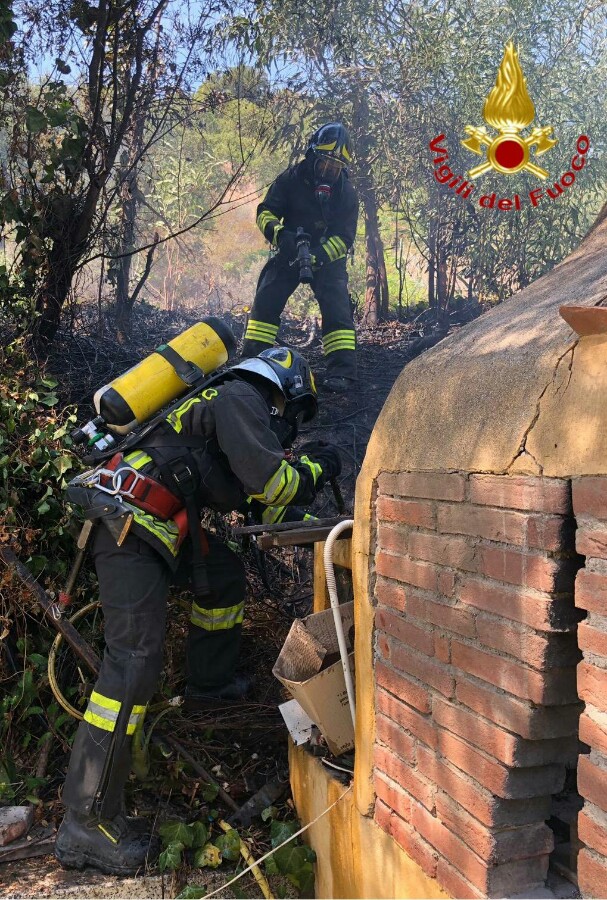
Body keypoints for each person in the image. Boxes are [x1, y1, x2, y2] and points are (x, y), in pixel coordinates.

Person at [54, 346, 341, 876]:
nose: (286, 428)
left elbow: (261, 497)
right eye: (292, 415)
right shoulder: (240, 396)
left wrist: (301, 493)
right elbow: (272, 481)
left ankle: (207, 687)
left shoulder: (220, 406)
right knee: (133, 662)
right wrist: (318, 466)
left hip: (152, 527)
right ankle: (85, 820)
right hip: (127, 526)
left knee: (224, 576)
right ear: (282, 389)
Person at [242, 122, 359, 394]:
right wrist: (282, 236)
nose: (329, 172)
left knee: (337, 308)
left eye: (336, 167)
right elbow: (265, 212)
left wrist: (319, 256)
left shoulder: (346, 193)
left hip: (327, 256)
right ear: (312, 156)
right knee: (266, 299)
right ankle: (251, 365)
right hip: (291, 247)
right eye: (324, 164)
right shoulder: (291, 179)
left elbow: (344, 238)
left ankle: (342, 373)